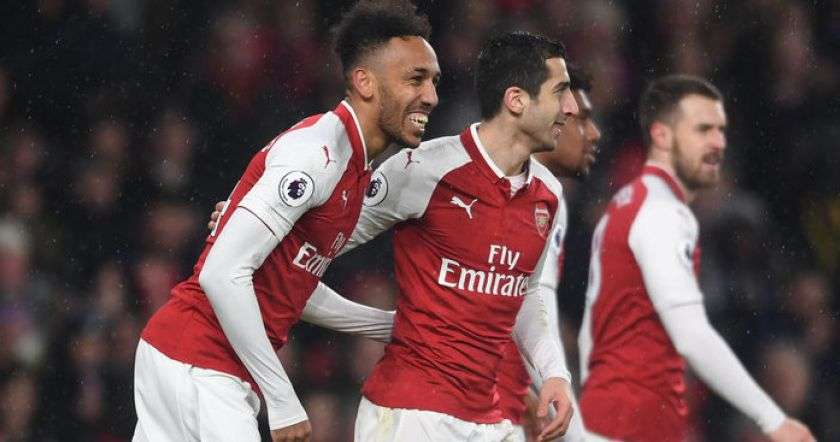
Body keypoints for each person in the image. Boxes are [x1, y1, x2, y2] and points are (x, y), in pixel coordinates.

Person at [208, 31, 579, 442]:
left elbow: (526, 293)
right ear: (516, 100)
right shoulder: (422, 170)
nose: (572, 107)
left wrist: (554, 374)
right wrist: (262, 223)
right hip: (409, 414)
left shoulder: (548, 195)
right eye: (560, 91)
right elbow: (317, 244)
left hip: (486, 418)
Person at [133, 1, 440, 441]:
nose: (430, 96)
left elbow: (288, 284)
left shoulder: (354, 168)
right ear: (365, 82)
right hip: (200, 362)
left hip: (192, 361)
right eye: (415, 78)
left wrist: (386, 324)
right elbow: (222, 273)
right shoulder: (318, 155)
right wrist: (282, 398)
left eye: (433, 81)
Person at [577, 74, 815, 442]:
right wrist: (772, 420)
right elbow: (691, 336)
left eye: (720, 130)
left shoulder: (633, 201)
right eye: (702, 130)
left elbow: (593, 330)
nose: (718, 143)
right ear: (662, 136)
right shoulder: (660, 214)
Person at [496, 65, 601, 442]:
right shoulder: (527, 197)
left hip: (493, 404)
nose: (594, 133)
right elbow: (531, 313)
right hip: (478, 413)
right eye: (582, 119)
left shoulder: (535, 193)